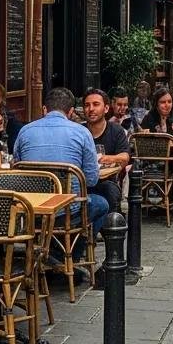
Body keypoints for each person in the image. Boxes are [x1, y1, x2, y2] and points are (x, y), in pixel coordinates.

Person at [13, 87, 110, 261]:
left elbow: (16, 171)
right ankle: (71, 256)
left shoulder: (25, 131)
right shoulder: (81, 133)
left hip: (32, 210)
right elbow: (91, 179)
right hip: (67, 212)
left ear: (44, 109)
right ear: (71, 112)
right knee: (102, 204)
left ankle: (51, 252)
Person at [82, 87, 131, 210]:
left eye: (96, 104)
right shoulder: (78, 131)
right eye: (87, 105)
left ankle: (112, 227)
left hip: (106, 181)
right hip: (81, 182)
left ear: (106, 108)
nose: (91, 109)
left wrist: (109, 158)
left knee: (110, 191)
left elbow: (125, 157)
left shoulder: (116, 130)